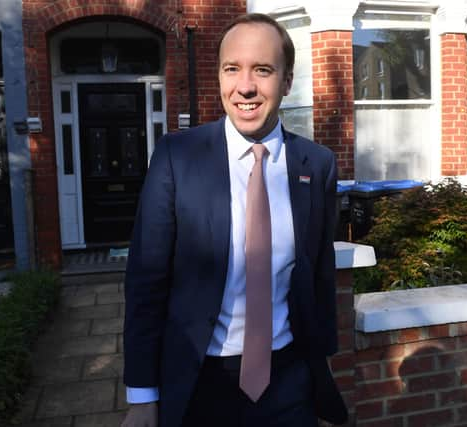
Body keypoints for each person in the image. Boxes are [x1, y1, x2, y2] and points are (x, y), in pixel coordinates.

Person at [121, 13, 347, 427]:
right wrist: (141, 398)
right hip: (199, 382)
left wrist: (322, 373)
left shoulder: (317, 165)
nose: (245, 86)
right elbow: (145, 282)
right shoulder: (177, 157)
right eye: (232, 69)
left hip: (289, 381)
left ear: (287, 80)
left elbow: (319, 276)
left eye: (262, 70)